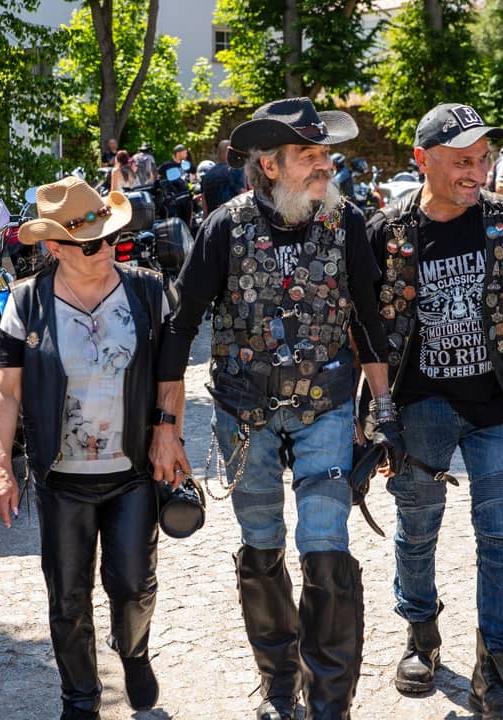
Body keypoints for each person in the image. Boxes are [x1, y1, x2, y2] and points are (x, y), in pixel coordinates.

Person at [150, 96, 399, 720]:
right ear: (269, 165)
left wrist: (384, 407)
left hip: (327, 408)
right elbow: (180, 327)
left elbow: (368, 321)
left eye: (325, 155)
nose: (324, 166)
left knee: (326, 544)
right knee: (261, 546)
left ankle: (330, 705)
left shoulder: (345, 223)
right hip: (244, 415)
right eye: (308, 156)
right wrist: (166, 426)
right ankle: (281, 689)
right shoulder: (224, 227)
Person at [365, 102, 503, 720]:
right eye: (461, 161)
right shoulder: (387, 231)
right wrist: (370, 417)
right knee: (417, 527)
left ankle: (493, 668)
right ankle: (420, 634)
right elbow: (363, 330)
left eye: (483, 158)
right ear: (422, 160)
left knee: (501, 534)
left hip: (498, 405)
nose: (477, 171)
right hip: (420, 405)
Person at [0, 177, 178, 720]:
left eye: (111, 236)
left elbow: (170, 376)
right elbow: (5, 392)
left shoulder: (147, 291)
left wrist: (167, 432)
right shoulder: (27, 302)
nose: (106, 248)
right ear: (55, 247)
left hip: (131, 471)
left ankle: (133, 651)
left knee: (134, 585)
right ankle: (80, 697)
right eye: (92, 243)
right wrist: (0, 467)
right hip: (62, 479)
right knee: (68, 598)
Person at [201, 139, 247, 214]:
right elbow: (244, 195)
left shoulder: (208, 174)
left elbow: (204, 203)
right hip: (233, 217)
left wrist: (206, 220)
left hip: (213, 218)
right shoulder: (235, 170)